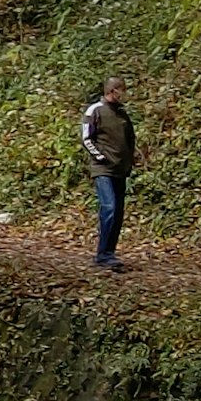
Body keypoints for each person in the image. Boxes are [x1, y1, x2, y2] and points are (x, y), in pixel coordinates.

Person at [81, 77, 136, 269]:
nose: (125, 94)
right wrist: (101, 158)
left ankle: (109, 252)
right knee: (109, 207)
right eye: (122, 90)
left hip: (121, 169)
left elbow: (130, 139)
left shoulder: (122, 114)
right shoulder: (95, 110)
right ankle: (102, 254)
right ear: (112, 91)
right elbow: (87, 138)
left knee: (118, 211)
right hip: (103, 168)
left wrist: (129, 161)